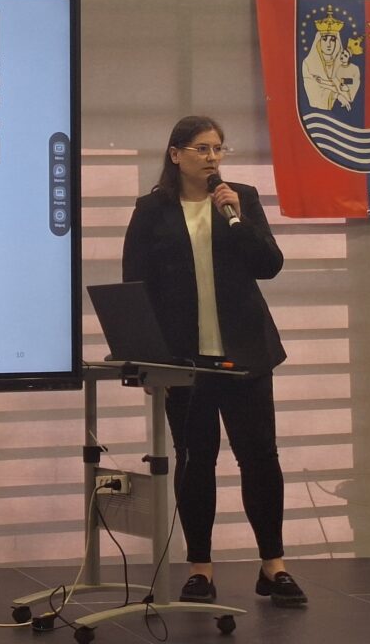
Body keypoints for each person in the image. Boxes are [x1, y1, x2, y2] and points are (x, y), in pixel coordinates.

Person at [121, 115, 307, 608]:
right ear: (176, 154)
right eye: (201, 148)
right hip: (185, 360)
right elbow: (134, 286)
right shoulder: (152, 210)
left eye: (218, 149)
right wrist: (146, 359)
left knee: (260, 458)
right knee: (195, 459)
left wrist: (238, 219)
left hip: (245, 353)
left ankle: (273, 565)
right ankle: (200, 569)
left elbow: (269, 265)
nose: (212, 158)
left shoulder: (239, 198)